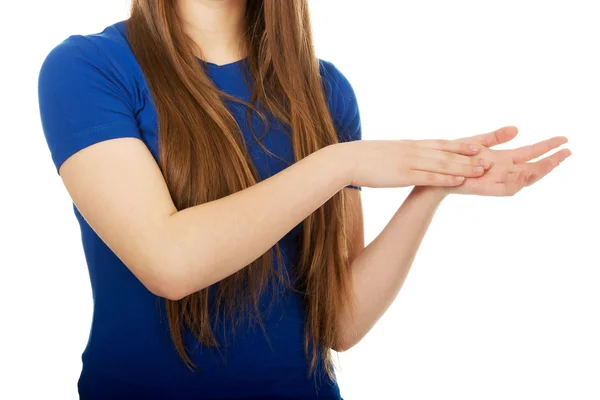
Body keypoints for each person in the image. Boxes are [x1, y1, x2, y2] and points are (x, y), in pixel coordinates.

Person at [37, 0, 571, 399]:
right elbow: (169, 263)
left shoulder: (324, 89)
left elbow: (338, 322)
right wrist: (340, 162)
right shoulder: (88, 68)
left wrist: (431, 186)